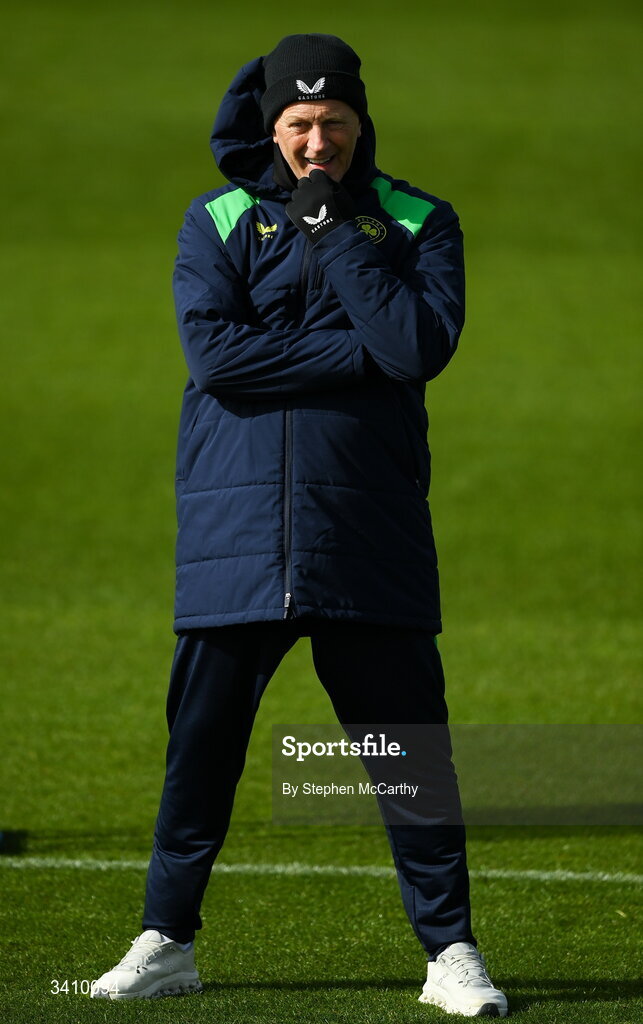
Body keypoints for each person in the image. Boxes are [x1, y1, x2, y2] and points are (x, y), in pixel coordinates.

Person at [91, 33, 508, 1017]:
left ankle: (450, 952)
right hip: (236, 532)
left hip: (368, 530)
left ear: (361, 123)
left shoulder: (417, 219)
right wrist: (357, 356)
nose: (315, 142)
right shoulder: (218, 218)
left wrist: (327, 234)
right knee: (199, 749)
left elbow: (415, 343)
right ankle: (167, 937)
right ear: (271, 127)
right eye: (297, 125)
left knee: (410, 756)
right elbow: (220, 363)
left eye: (332, 123)